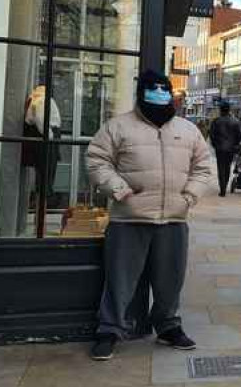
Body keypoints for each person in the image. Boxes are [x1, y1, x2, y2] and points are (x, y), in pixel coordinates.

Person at [86, 70, 215, 361]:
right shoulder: (117, 127)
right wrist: (120, 190)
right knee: (120, 278)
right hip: (129, 219)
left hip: (173, 218)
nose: (160, 94)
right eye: (153, 89)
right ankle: (109, 330)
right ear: (142, 93)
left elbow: (203, 167)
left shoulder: (188, 130)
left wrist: (189, 196)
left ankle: (168, 326)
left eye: (164, 89)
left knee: (171, 278)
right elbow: (96, 161)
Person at [209, 102, 241, 197]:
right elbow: (240, 135)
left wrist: (215, 144)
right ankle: (225, 184)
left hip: (220, 148)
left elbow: (212, 134)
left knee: (221, 167)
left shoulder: (216, 121)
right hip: (231, 148)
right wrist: (236, 144)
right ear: (229, 110)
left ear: (221, 110)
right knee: (227, 167)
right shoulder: (235, 121)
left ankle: (222, 188)